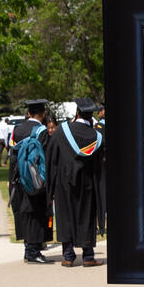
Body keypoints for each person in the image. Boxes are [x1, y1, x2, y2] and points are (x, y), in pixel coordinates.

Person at [48, 97, 105, 267]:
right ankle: (88, 256)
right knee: (86, 216)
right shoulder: (98, 136)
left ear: (77, 113)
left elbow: (51, 158)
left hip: (64, 183)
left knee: (66, 216)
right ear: (90, 116)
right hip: (87, 183)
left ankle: (68, 256)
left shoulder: (61, 131)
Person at [9, 99, 53, 263]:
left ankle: (29, 247)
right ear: (42, 114)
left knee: (24, 212)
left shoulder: (17, 130)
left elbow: (13, 155)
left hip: (18, 178)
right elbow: (44, 157)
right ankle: (33, 250)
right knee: (36, 213)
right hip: (34, 179)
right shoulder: (41, 130)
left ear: (28, 113)